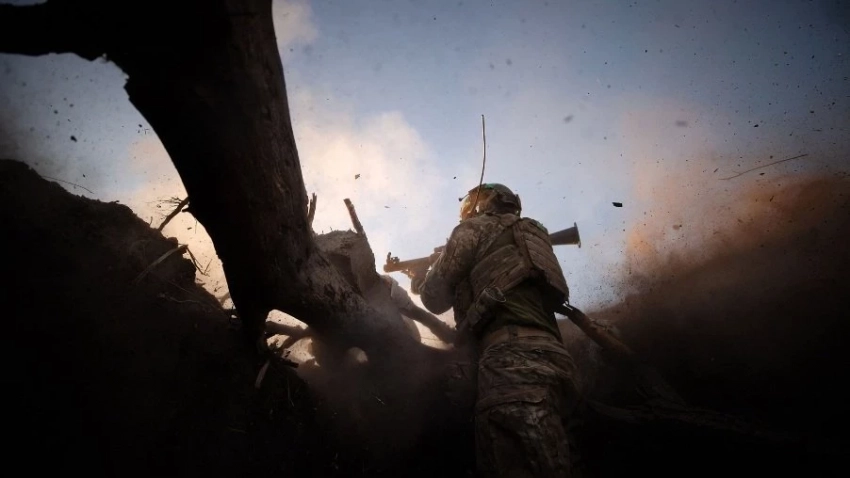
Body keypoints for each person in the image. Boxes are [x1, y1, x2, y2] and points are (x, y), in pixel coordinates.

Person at [411, 183, 580, 477]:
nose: (465, 214)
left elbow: (433, 299)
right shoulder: (533, 232)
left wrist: (420, 276)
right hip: (557, 359)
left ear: (481, 203)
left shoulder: (472, 229)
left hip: (510, 364)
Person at [380, 274, 456, 344]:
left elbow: (409, 307)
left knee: (424, 317)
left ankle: (448, 335)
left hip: (402, 304)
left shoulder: (394, 291)